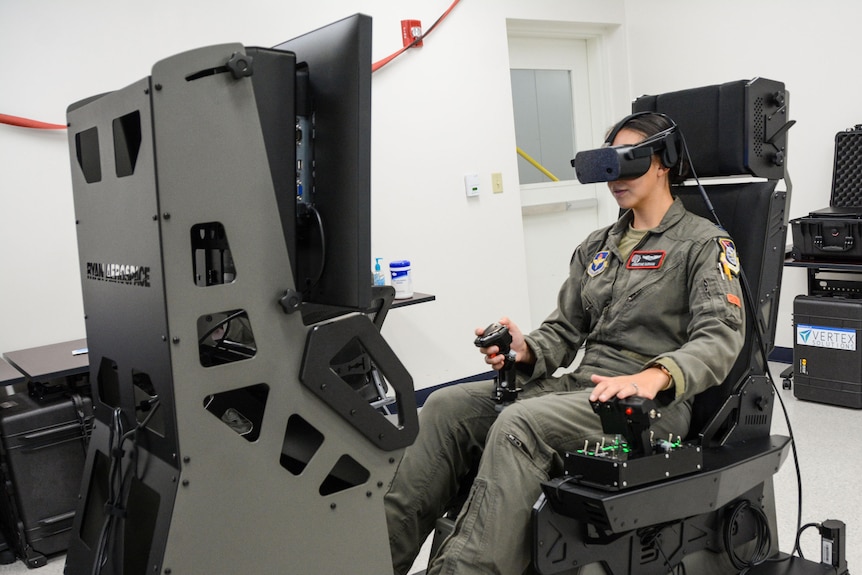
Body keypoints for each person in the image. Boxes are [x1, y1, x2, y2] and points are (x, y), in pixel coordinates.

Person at [384, 112, 746, 575]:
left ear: (663, 163)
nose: (614, 180)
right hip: (579, 388)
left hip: (646, 407)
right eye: (606, 167)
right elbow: (562, 333)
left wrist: (653, 377)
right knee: (445, 407)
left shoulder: (703, 244)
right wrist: (525, 349)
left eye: (627, 163)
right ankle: (373, 559)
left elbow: (719, 337)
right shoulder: (597, 246)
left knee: (521, 424)